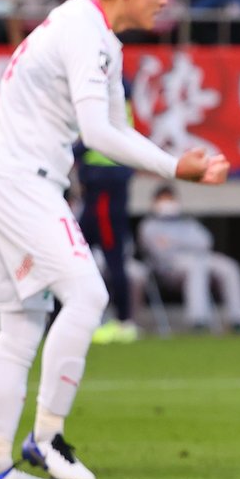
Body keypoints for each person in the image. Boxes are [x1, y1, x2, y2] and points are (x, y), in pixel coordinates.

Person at [0, 0, 230, 479]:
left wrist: (171, 163)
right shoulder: (86, 32)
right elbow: (97, 134)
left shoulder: (94, 35)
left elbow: (115, 129)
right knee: (88, 295)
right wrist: (172, 167)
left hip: (9, 181)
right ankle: (46, 435)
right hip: (25, 185)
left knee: (20, 328)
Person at [138, 186, 240, 332]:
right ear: (154, 202)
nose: (167, 204)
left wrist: (174, 242)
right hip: (170, 268)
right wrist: (186, 244)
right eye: (163, 200)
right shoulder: (149, 226)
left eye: (170, 199)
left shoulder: (187, 222)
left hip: (200, 258)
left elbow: (205, 241)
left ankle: (238, 319)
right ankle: (198, 320)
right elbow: (161, 252)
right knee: (196, 267)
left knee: (229, 267)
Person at [77, 109, 139, 345]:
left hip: (105, 188)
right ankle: (65, 317)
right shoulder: (108, 89)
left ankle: (124, 322)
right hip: (99, 188)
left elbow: (96, 135)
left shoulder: (109, 90)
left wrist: (67, 151)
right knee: (76, 253)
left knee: (112, 257)